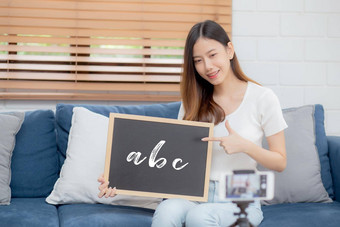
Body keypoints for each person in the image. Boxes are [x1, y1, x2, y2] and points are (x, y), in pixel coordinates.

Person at [98, 20, 287, 227]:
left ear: (229, 50)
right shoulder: (193, 103)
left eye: (213, 55)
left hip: (241, 195)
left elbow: (280, 162)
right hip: (195, 192)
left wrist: (245, 146)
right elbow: (169, 162)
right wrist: (120, 177)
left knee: (200, 217)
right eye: (198, 60)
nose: (207, 66)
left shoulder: (263, 97)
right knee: (166, 210)